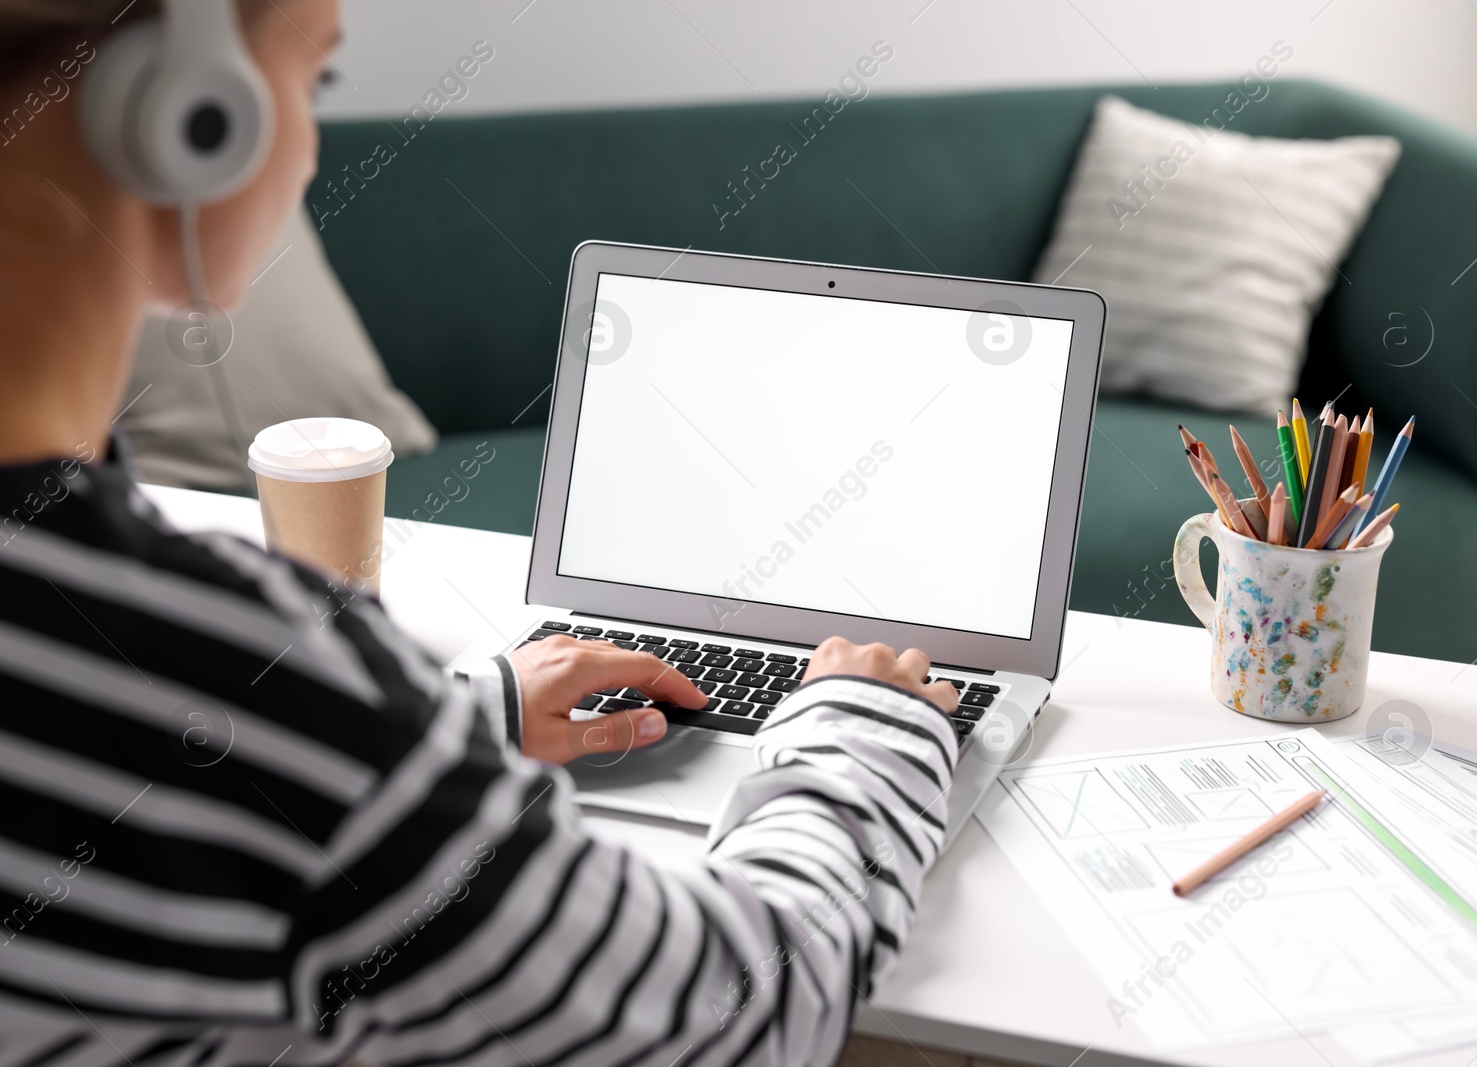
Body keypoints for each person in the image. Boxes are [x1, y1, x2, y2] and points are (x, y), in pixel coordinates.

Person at [0, 2, 964, 1066]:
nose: (310, 141)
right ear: (188, 111)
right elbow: (744, 1009)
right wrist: (867, 727)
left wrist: (440, 735)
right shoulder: (236, 676)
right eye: (312, 82)